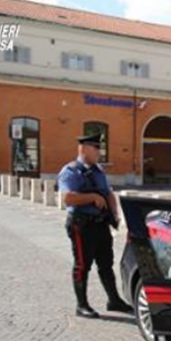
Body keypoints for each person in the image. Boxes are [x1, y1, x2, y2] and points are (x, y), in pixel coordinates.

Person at [57, 133, 133, 319]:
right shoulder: (70, 171)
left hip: (101, 224)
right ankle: (81, 305)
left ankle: (113, 300)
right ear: (83, 148)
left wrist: (114, 214)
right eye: (95, 148)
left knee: (106, 264)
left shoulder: (98, 171)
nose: (99, 152)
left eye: (99, 148)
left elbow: (108, 193)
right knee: (83, 265)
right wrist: (92, 197)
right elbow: (67, 198)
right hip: (81, 225)